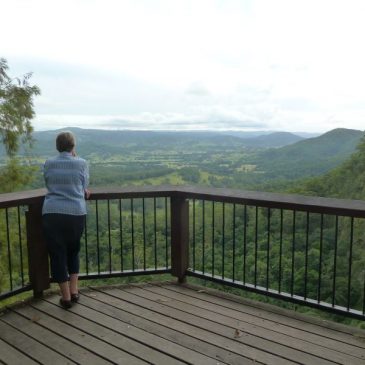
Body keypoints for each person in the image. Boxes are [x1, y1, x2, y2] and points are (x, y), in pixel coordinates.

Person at [42, 131, 90, 309]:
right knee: (73, 251)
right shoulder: (82, 163)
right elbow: (84, 186)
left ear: (57, 146)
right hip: (76, 213)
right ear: (73, 147)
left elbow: (48, 183)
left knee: (57, 255)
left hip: (52, 213)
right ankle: (75, 291)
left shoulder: (48, 163)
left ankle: (66, 297)